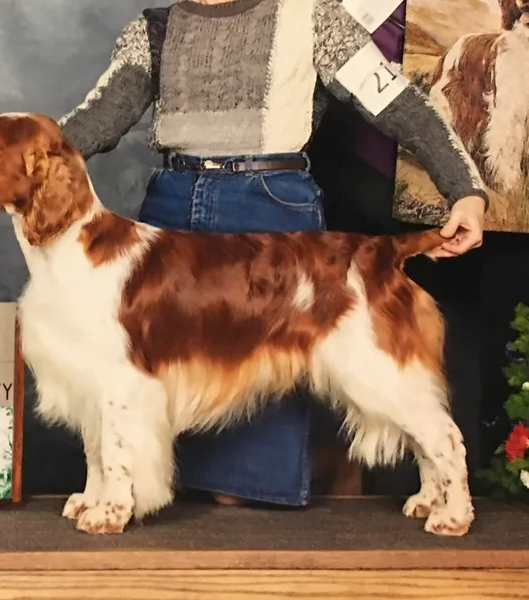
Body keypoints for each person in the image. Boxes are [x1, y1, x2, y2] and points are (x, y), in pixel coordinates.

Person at [56, 0, 488, 508]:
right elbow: (99, 119)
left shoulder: (313, 17)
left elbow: (399, 103)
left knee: (244, 493)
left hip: (270, 213)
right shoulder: (155, 28)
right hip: (173, 221)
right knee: (172, 452)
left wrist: (464, 189)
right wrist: (25, 160)